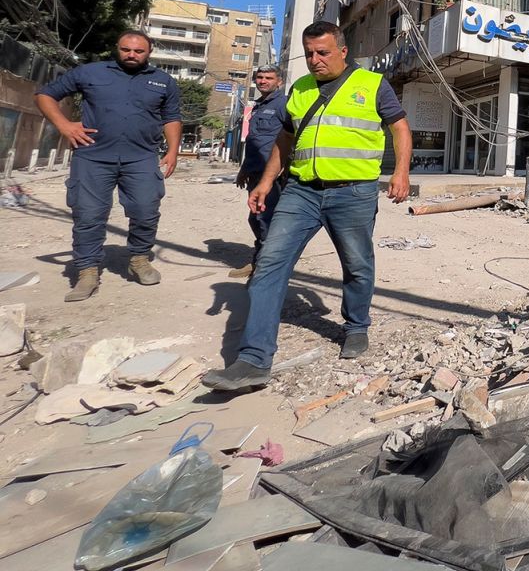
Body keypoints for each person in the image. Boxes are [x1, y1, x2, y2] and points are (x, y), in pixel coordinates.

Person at [203, 21, 412, 391]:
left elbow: (399, 128)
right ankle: (253, 360)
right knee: (269, 263)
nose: (315, 60)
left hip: (354, 192)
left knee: (357, 264)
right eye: (310, 53)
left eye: (323, 52)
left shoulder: (372, 85)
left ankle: (356, 326)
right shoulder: (298, 90)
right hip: (301, 191)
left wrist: (401, 173)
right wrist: (266, 181)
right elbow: (284, 140)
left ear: (343, 51)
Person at [34, 30, 181, 301]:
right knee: (89, 215)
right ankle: (87, 271)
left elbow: (171, 118)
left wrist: (173, 151)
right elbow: (45, 95)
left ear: (149, 53)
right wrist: (64, 126)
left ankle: (139, 259)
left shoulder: (163, 81)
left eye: (138, 51)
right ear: (118, 48)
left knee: (145, 209)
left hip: (141, 157)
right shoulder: (90, 73)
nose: (132, 55)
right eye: (126, 49)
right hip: (92, 157)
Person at [229, 65, 288, 280]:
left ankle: (265, 270)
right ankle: (260, 262)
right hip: (255, 173)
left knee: (266, 221)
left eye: (268, 78)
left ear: (279, 81)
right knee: (256, 219)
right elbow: (255, 141)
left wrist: (281, 172)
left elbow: (291, 139)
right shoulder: (258, 106)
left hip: (271, 177)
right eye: (260, 77)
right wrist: (244, 169)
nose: (263, 81)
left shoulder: (284, 104)